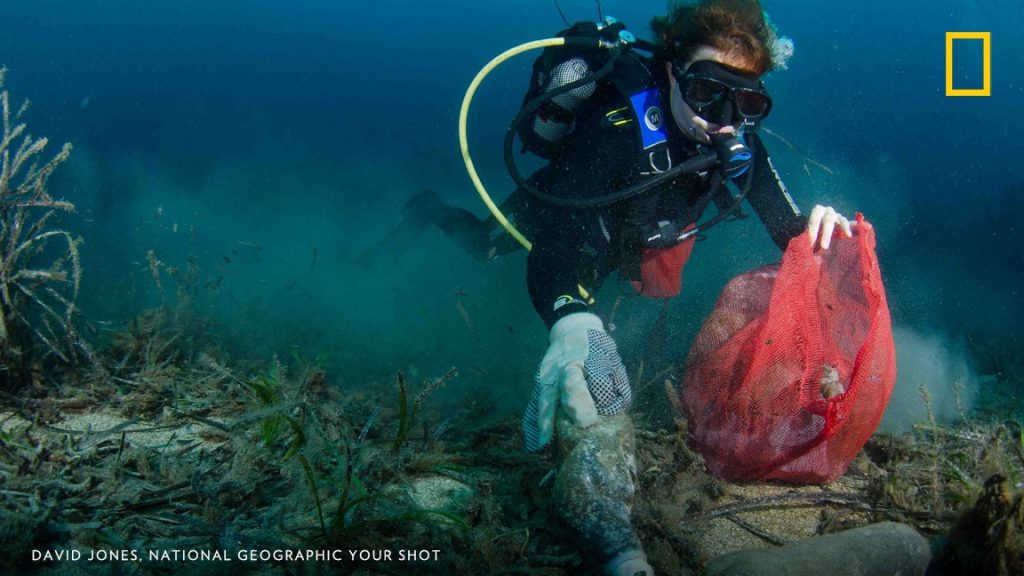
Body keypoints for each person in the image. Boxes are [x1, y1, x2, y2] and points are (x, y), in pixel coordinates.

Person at [404, 1, 853, 574]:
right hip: (566, 212)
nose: (724, 120)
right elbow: (557, 247)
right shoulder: (615, 128)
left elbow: (790, 231)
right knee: (486, 247)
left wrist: (816, 228)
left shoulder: (739, 147)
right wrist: (570, 318)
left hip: (630, 242)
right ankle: (430, 209)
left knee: (621, 307)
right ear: (671, 72)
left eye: (746, 102)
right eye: (708, 92)